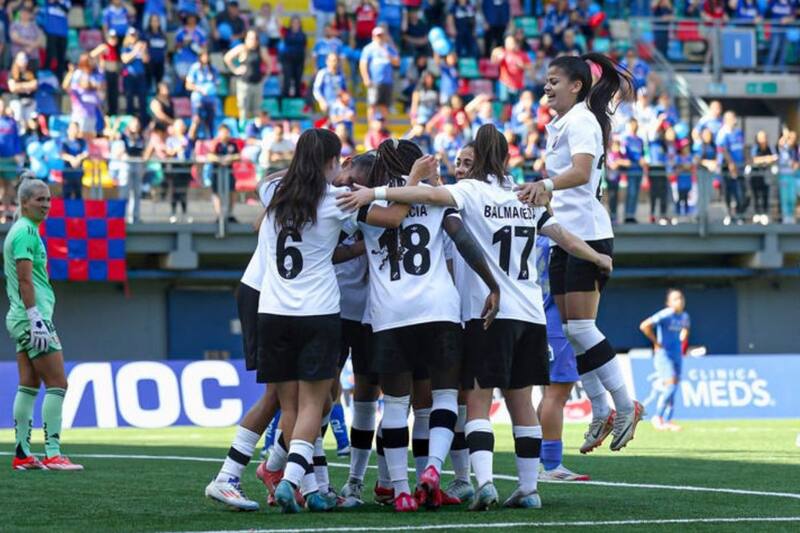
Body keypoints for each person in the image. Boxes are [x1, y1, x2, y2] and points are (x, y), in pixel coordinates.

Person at [339, 125, 613, 512]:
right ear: (506, 157)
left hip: (449, 313)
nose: (461, 167)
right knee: (508, 401)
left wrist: (374, 193)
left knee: (447, 403)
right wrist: (598, 256)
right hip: (512, 312)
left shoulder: (458, 193)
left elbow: (415, 206)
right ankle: (518, 486)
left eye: (467, 160)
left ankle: (441, 485)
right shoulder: (526, 195)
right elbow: (559, 237)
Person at [516, 54, 644, 454]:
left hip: (588, 236)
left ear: (576, 86)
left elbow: (582, 172)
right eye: (546, 80)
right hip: (564, 236)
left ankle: (626, 406)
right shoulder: (562, 124)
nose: (546, 87)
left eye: (554, 81)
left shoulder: (582, 121)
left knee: (583, 328)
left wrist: (544, 185)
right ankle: (601, 409)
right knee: (573, 331)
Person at [257, 129, 356, 513]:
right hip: (317, 312)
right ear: (331, 161)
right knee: (317, 403)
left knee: (290, 407)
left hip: (273, 312)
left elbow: (268, 179)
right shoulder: (336, 200)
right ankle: (291, 482)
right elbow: (389, 218)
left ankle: (305, 484)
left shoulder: (273, 191)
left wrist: (299, 169)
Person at [205, 176, 284, 511]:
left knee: (313, 397)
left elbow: (260, 213)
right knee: (284, 395)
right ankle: (232, 475)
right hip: (268, 295)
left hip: (277, 296)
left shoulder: (300, 191)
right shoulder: (316, 192)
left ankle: (287, 474)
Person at [7, 174, 83, 471]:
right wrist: (35, 317)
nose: (46, 205)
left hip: (22, 318)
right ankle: (53, 453)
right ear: (24, 202)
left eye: (49, 199)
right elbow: (25, 279)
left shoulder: (22, 229)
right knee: (58, 383)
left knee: (28, 384)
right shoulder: (26, 232)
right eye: (40, 199)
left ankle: (23, 454)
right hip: (32, 318)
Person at [639, 289, 690, 432]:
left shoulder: (685, 316)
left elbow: (686, 329)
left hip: (677, 355)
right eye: (675, 299)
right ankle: (658, 417)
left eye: (681, 298)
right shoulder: (666, 314)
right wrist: (656, 342)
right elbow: (644, 326)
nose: (680, 301)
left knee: (674, 387)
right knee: (671, 385)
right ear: (669, 302)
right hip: (664, 355)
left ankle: (668, 420)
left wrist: (682, 339)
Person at [224, 29, 272, 123]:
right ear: (246, 39)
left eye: (254, 39)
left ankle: (254, 129)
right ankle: (243, 130)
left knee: (256, 111)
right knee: (243, 110)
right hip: (244, 84)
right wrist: (235, 70)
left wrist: (265, 78)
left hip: (257, 84)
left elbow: (269, 64)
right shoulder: (242, 48)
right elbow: (227, 57)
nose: (252, 41)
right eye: (250, 38)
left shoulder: (261, 50)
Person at [359, 27, 400, 122]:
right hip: (374, 81)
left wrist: (389, 56)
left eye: (381, 35)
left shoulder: (389, 48)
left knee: (385, 105)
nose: (380, 38)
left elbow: (397, 62)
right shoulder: (369, 49)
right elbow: (363, 64)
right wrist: (366, 78)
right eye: (378, 36)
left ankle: (383, 127)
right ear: (373, 37)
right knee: (372, 105)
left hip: (387, 81)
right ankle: (371, 127)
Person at [716, 111, 747, 225]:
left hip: (740, 167)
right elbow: (723, 150)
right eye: (731, 118)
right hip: (727, 168)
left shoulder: (739, 133)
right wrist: (731, 164)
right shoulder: (722, 133)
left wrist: (747, 160)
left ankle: (739, 215)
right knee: (729, 192)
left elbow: (743, 148)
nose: (734, 120)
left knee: (742, 193)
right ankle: (730, 215)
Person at [63, 54, 103, 141]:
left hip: (91, 116)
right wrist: (70, 73)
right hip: (80, 116)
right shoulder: (77, 89)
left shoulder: (93, 90)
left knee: (90, 138)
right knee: (80, 136)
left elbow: (99, 97)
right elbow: (65, 86)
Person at [207, 124, 240, 224]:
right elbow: (209, 156)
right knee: (216, 193)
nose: (225, 134)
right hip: (217, 172)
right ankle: (219, 215)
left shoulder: (232, 144)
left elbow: (238, 156)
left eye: (227, 132)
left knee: (232, 191)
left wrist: (229, 158)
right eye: (223, 132)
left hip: (229, 172)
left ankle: (229, 214)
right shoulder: (215, 143)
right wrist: (220, 160)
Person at [185, 49, 219, 140]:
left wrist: (211, 90)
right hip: (198, 99)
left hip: (210, 100)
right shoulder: (195, 68)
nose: (206, 58)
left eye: (207, 55)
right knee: (196, 120)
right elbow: (188, 85)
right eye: (203, 56)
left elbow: (216, 84)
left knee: (210, 122)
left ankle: (210, 141)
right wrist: (199, 89)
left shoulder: (213, 69)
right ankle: (190, 142)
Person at [121, 28, 150, 125]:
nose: (133, 37)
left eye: (134, 35)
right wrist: (135, 50)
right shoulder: (125, 47)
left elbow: (146, 60)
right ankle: (130, 121)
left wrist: (144, 50)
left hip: (141, 76)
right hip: (129, 76)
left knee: (143, 98)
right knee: (129, 98)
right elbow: (125, 59)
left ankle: (143, 122)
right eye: (131, 35)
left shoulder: (141, 47)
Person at [0, 100, 23, 222]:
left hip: (9, 159)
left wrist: (17, 153)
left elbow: (16, 139)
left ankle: (6, 213)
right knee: (1, 187)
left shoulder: (11, 122)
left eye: (2, 106)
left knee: (9, 186)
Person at [120, 117, 146, 223]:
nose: (135, 126)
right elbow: (126, 149)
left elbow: (141, 150)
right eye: (133, 124)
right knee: (124, 192)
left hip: (137, 163)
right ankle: (122, 217)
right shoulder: (124, 136)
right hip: (127, 163)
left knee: (136, 192)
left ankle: (135, 217)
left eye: (137, 124)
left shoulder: (141, 137)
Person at [90, 31, 122, 117]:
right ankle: (106, 114)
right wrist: (100, 51)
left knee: (114, 94)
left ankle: (114, 113)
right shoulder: (104, 47)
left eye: (114, 38)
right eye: (111, 38)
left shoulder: (117, 48)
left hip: (114, 74)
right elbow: (92, 55)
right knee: (106, 94)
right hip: (106, 74)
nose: (113, 40)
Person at [748, 130, 777, 225]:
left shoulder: (770, 147)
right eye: (760, 138)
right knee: (756, 195)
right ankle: (757, 214)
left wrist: (766, 160)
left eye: (764, 137)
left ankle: (764, 214)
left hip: (766, 175)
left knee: (765, 194)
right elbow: (753, 160)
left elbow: (775, 157)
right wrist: (766, 159)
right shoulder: (755, 148)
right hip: (755, 175)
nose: (762, 140)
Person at [8, 52, 38, 132]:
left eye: (24, 59)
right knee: (18, 114)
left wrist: (19, 86)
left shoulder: (31, 72)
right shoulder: (12, 73)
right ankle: (20, 132)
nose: (23, 61)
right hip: (17, 100)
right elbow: (12, 88)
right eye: (21, 59)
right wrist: (27, 86)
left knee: (32, 118)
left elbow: (35, 85)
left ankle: (31, 134)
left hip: (29, 101)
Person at [42, 0, 70, 80]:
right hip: (51, 32)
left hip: (63, 33)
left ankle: (59, 80)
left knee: (61, 58)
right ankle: (47, 79)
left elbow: (67, 9)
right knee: (51, 57)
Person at [280, 16, 307, 98]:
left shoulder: (303, 35)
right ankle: (285, 97)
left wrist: (306, 59)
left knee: (298, 79)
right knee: (287, 79)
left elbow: (305, 48)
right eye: (294, 22)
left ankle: (297, 97)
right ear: (291, 24)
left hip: (299, 60)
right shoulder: (286, 32)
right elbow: (279, 25)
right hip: (288, 59)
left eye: (297, 22)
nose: (295, 24)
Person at [60, 122, 88, 200]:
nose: (74, 130)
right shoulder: (64, 141)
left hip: (78, 173)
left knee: (78, 194)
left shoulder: (82, 142)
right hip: (68, 172)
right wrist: (71, 159)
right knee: (66, 194)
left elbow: (86, 153)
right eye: (72, 128)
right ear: (68, 130)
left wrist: (79, 158)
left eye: (76, 128)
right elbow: (62, 154)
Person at [777, 128, 798, 224]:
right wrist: (785, 135)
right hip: (784, 176)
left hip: (793, 176)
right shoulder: (783, 147)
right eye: (790, 137)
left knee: (792, 197)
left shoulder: (796, 149)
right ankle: (786, 217)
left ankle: (791, 216)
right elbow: (780, 143)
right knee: (785, 197)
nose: (792, 140)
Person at [144, 14, 168, 90]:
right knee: (148, 83)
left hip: (160, 62)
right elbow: (143, 49)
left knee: (159, 83)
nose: (155, 23)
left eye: (156, 21)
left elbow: (165, 50)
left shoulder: (163, 35)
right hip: (150, 63)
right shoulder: (146, 35)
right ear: (150, 22)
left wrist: (165, 61)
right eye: (153, 21)